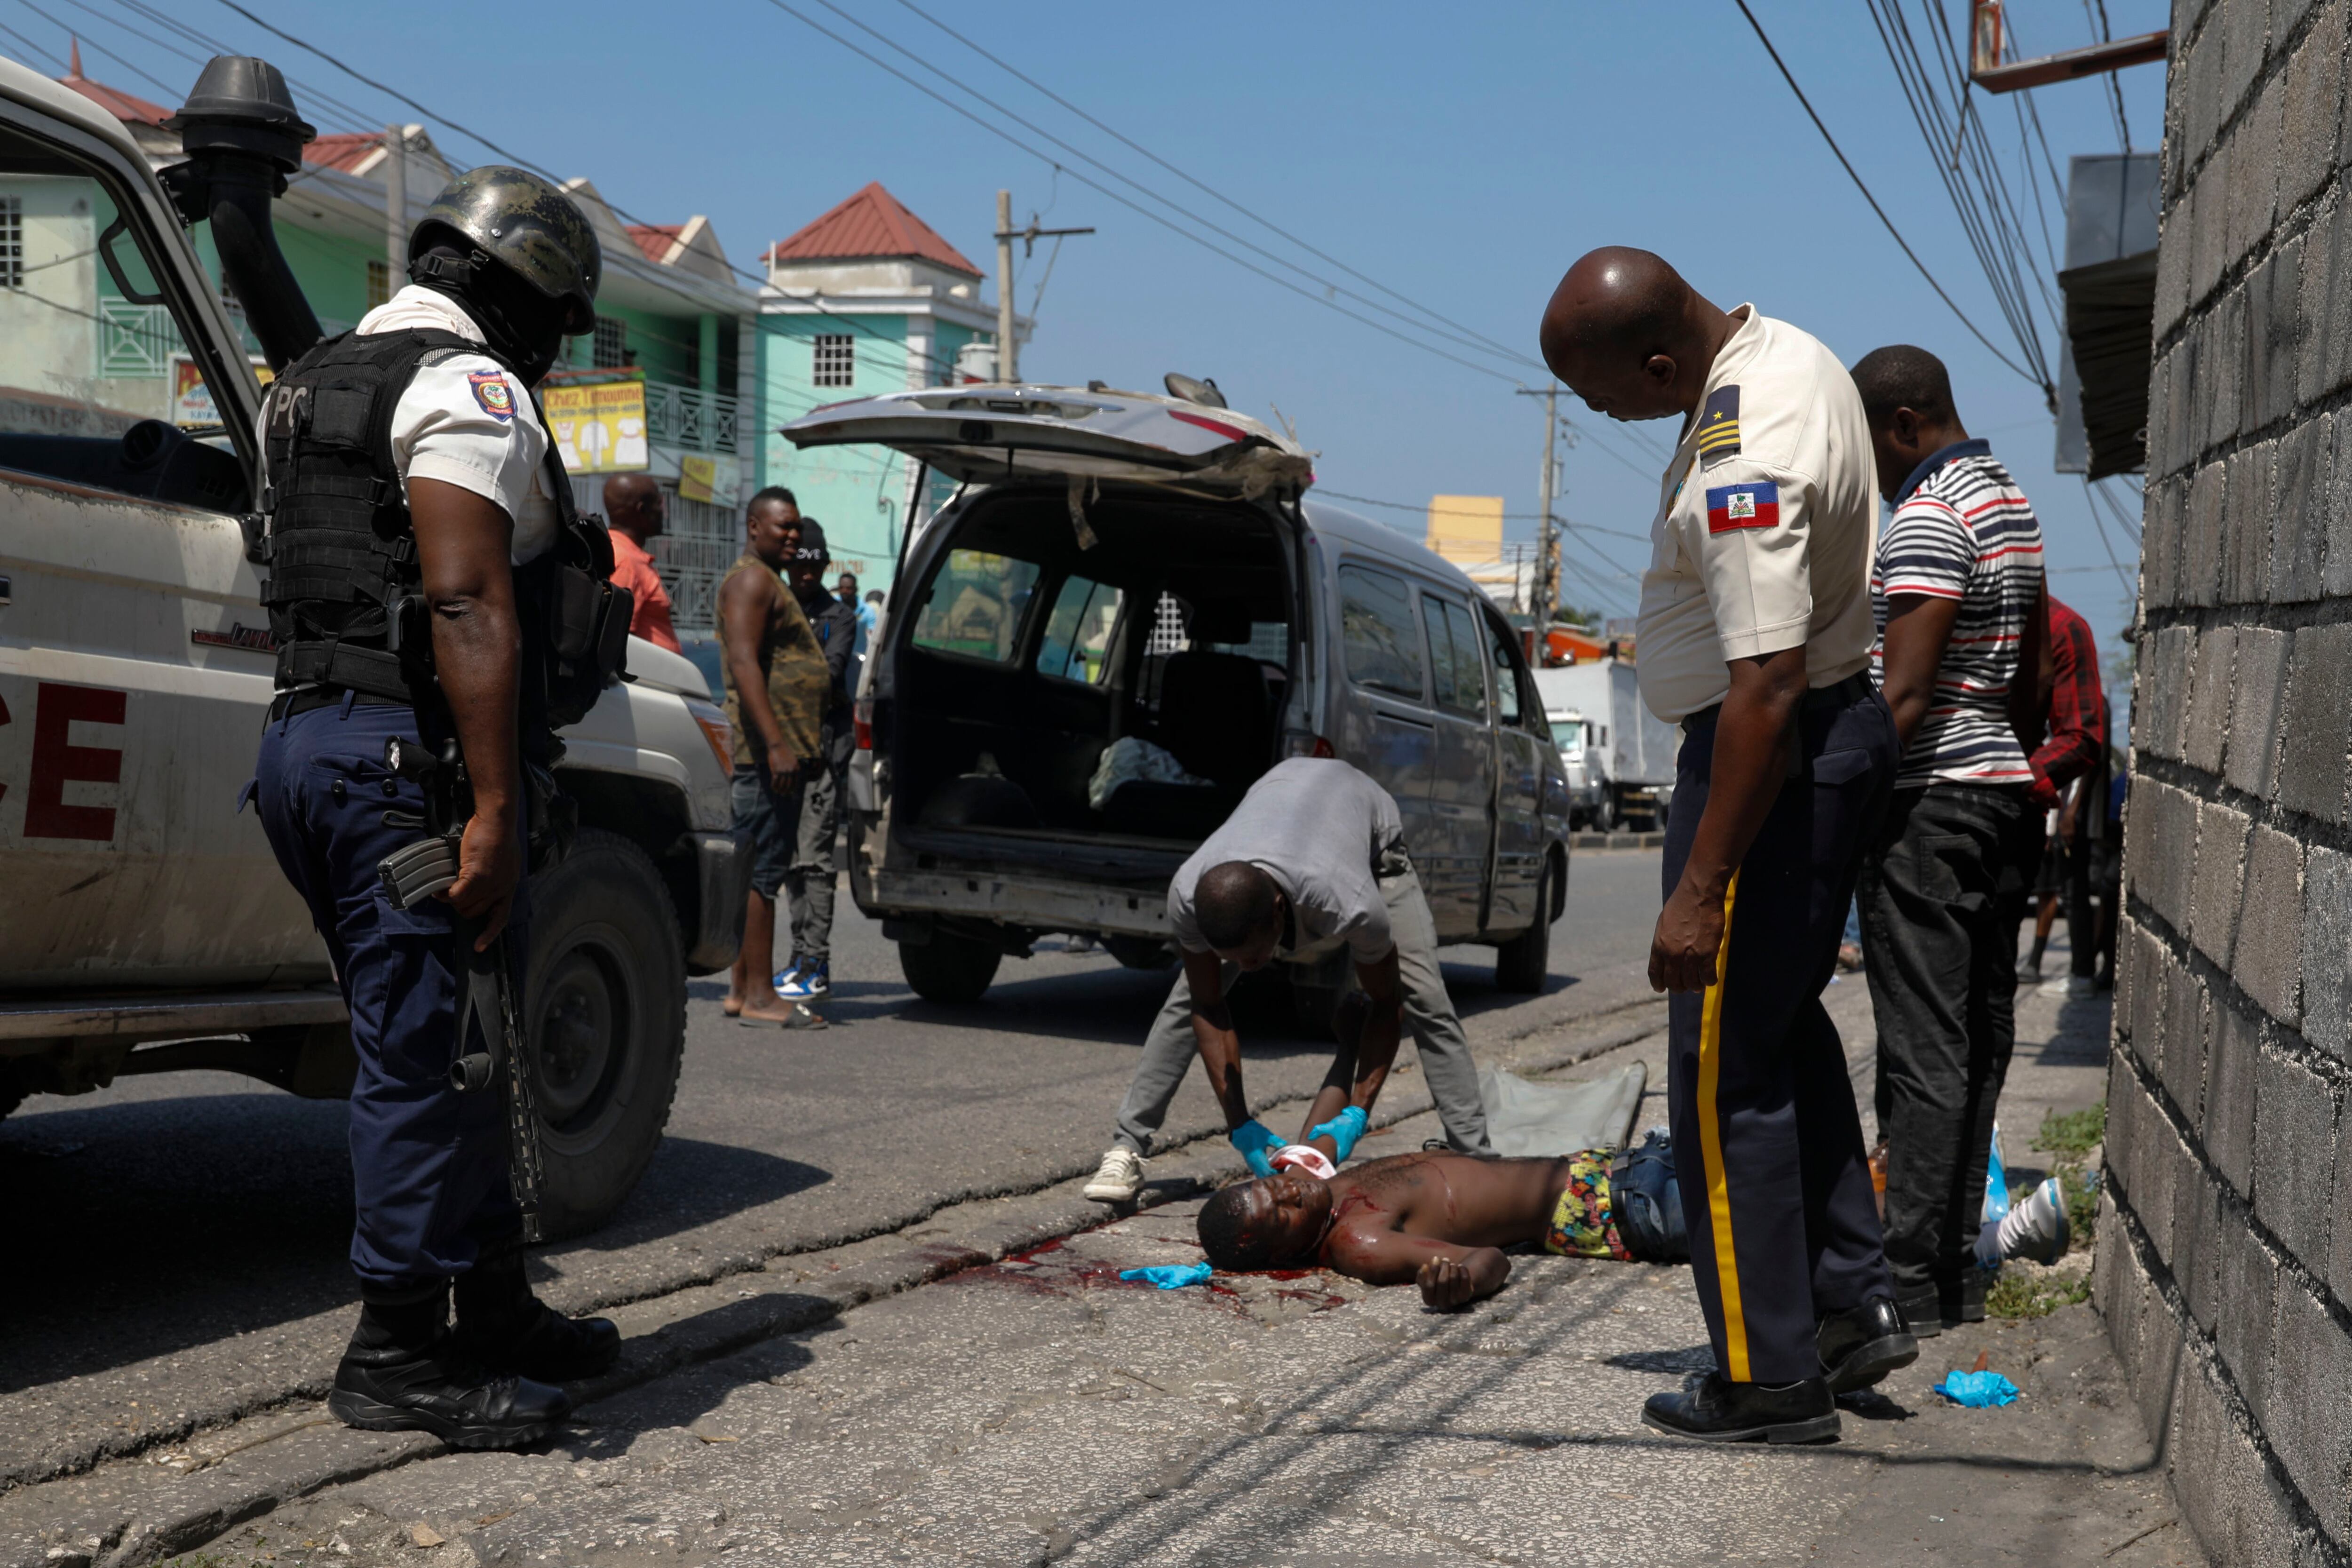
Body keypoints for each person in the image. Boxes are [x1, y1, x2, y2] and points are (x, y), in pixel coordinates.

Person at [251, 166, 622, 1448]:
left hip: (310, 740)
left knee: (470, 1035)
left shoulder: (310, 378)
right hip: (403, 762)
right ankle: (400, 1351)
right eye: (557, 319)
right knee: (424, 1055)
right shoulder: (468, 388)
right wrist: (497, 808)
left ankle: (497, 1303)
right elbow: (467, 601)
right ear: (516, 292)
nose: (558, 350)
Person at [1537, 248, 1908, 1445]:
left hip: (1767, 761)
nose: (1608, 419)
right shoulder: (1790, 351)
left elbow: (1763, 684)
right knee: (1781, 1034)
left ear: (1659, 361)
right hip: (1817, 739)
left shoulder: (1739, 461)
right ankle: (1847, 1307)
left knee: (1718, 1075)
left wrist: (1699, 887)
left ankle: (1767, 1378)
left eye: (1608, 398)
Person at [1848, 344, 2051, 1337]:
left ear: (1900, 425)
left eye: (1869, 444)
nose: (1870, 471)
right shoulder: (2008, 499)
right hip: (2003, 789)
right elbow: (2027, 681)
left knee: (1923, 1047)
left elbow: (1905, 693)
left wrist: (1843, 803)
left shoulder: (1927, 514)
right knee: (1977, 1037)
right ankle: (1954, 1275)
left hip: (1931, 800)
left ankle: (1907, 1283)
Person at [1080, 758, 1494, 1205]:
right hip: (1281, 794)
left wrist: (1357, 1114)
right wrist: (1240, 1125)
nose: (1249, 966)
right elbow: (1208, 1005)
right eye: (1233, 956)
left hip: (1374, 845)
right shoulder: (1189, 895)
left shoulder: (1351, 902)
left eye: (1255, 954)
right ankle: (1127, 1145)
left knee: (1426, 1000)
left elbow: (1385, 1001)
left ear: (1279, 909)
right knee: (1186, 1002)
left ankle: (1479, 1160)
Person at [1197, 1138, 1691, 1311]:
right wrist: (1460, 1283)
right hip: (1617, 1207)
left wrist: (1352, 1043)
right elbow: (1487, 1261)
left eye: (1271, 1186)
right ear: (1284, 1255)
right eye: (1279, 1213)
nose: (1289, 1191)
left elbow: (1328, 1123)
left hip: (1619, 1166)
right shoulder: (1355, 1239)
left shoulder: (1323, 1189)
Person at [718, 488, 829, 1025]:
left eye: (796, 527)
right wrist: (778, 745)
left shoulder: (767, 581)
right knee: (763, 874)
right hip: (766, 757)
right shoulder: (752, 581)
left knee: (759, 870)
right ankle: (762, 995)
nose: (792, 534)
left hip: (773, 755)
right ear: (753, 526)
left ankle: (743, 989)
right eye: (781, 526)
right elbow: (743, 663)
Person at [772, 522, 858, 1002]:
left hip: (822, 752)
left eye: (812, 564)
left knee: (815, 862)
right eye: (797, 564)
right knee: (788, 864)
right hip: (780, 751)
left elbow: (829, 673)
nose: (804, 573)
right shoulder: (774, 608)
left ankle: (815, 962)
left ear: (824, 565)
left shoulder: (838, 616)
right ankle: (797, 955)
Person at [2016, 596, 2106, 985]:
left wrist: (2069, 814)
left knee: (2072, 890)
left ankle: (2081, 969)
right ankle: (2045, 962)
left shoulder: (2089, 700)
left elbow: (2087, 749)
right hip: (2052, 808)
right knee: (2054, 889)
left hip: (2067, 813)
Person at [602, 472, 680, 653]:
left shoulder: (623, 552)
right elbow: (617, 639)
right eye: (660, 503)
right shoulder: (626, 561)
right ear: (642, 510)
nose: (664, 512)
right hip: (644, 679)